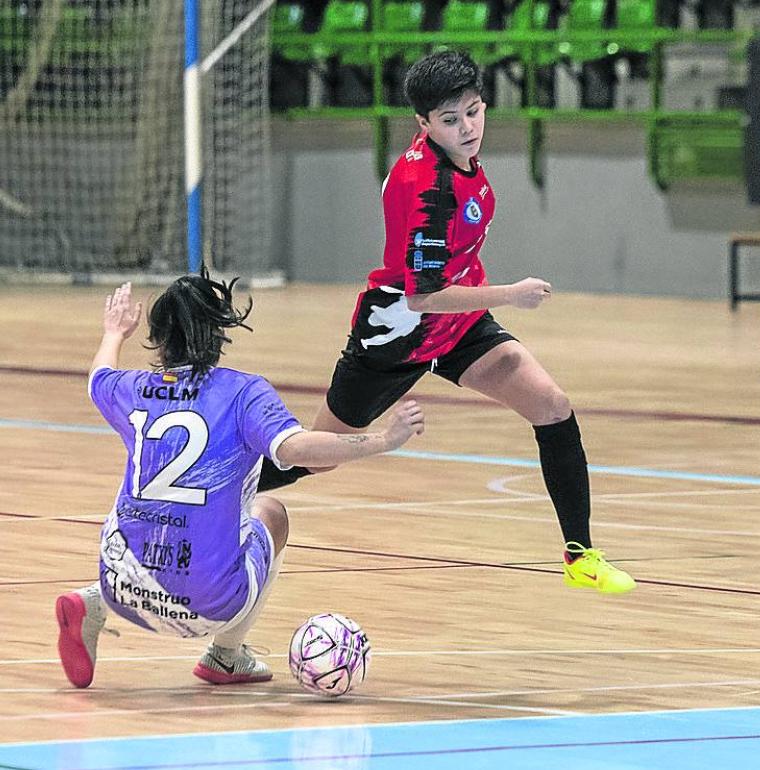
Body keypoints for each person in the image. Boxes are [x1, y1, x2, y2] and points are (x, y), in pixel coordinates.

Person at [255, 50, 635, 594]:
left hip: (458, 326)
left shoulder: (459, 160)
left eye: (474, 112)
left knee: (552, 406)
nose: (468, 128)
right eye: (451, 120)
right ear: (424, 124)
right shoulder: (429, 188)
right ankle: (205, 492)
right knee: (318, 458)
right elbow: (423, 297)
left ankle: (580, 555)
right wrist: (511, 294)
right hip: (396, 335)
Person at [56, 277, 427, 689]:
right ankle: (226, 655)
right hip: (207, 607)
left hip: (122, 588)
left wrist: (113, 333)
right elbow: (298, 450)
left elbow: (97, 379)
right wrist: (382, 440)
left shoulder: (132, 388)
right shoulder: (243, 393)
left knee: (141, 508)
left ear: (158, 339)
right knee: (271, 512)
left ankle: (94, 600)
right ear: (218, 335)